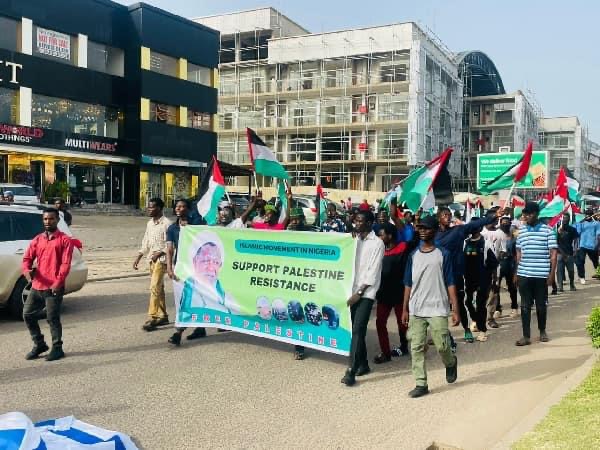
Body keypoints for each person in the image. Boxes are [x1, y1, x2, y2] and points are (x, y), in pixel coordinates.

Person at [401, 215, 459, 398]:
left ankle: (450, 362)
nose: (422, 231)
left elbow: (450, 282)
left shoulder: (443, 254)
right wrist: (405, 308)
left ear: (434, 230)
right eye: (420, 228)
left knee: (442, 345)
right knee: (416, 346)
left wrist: (455, 309)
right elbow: (407, 283)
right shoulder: (413, 255)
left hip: (438, 307)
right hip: (417, 308)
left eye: (426, 228)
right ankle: (421, 383)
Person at [435, 206, 503, 344]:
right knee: (439, 306)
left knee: (460, 303)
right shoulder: (433, 235)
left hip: (455, 275)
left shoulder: (458, 231)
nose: (447, 217)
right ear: (438, 218)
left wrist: (492, 217)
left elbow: (475, 224)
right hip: (437, 276)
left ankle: (466, 329)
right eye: (444, 215)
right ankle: (443, 333)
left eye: (449, 214)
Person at [21, 208, 74, 361]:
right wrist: (26, 271)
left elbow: (65, 264)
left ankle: (57, 348)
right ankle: (39, 344)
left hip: (53, 288)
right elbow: (26, 259)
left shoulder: (64, 240)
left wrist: (58, 283)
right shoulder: (38, 239)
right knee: (27, 314)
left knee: (52, 318)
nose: (47, 222)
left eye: (51, 219)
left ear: (57, 220)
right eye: (45, 219)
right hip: (37, 285)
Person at [341, 210, 385, 387]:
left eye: (360, 221)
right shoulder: (354, 239)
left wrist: (358, 294)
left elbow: (372, 274)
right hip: (351, 291)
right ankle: (364, 364)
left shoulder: (377, 244)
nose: (357, 224)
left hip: (365, 293)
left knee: (358, 329)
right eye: (356, 220)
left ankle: (351, 371)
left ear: (369, 223)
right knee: (354, 329)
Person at [515, 202, 558, 346]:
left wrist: (552, 274)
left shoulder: (548, 230)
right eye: (525, 213)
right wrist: (516, 272)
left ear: (537, 214)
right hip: (524, 275)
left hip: (541, 275)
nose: (527, 216)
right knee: (525, 306)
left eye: (530, 213)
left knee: (541, 305)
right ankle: (526, 336)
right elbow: (519, 253)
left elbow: (553, 254)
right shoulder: (521, 231)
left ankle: (542, 331)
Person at [166, 199, 207, 346]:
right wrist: (169, 268)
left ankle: (178, 332)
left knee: (190, 298)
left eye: (183, 206)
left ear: (188, 209)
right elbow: (170, 250)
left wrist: (190, 228)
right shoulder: (172, 228)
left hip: (196, 268)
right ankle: (200, 328)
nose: (179, 209)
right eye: (177, 206)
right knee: (184, 299)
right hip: (181, 268)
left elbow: (204, 238)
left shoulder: (197, 225)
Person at [373, 222, 410, 364]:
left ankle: (405, 346)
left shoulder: (403, 248)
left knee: (403, 324)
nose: (378, 237)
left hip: (400, 294)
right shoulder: (378, 250)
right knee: (380, 322)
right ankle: (386, 353)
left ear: (390, 235)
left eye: (381, 235)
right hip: (383, 294)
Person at [133, 197, 172, 331]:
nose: (149, 209)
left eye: (152, 207)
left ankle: (153, 317)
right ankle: (163, 315)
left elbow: (172, 245)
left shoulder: (167, 224)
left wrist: (160, 253)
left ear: (160, 208)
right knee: (159, 288)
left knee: (154, 287)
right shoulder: (150, 223)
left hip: (162, 261)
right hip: (151, 259)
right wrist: (139, 256)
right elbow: (146, 241)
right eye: (148, 207)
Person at [463, 220, 498, 342]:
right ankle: (476, 320)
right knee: (467, 302)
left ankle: (483, 330)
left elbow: (493, 263)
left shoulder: (486, 243)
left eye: (475, 227)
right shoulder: (465, 243)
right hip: (468, 279)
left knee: (480, 304)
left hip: (483, 279)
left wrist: (494, 280)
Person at [286, 207, 313, 360]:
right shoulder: (287, 234)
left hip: (308, 280)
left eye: (298, 219)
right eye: (292, 219)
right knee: (296, 311)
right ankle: (299, 346)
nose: (295, 222)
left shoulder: (312, 233)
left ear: (303, 219)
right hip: (292, 280)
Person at [493, 216, 519, 318]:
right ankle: (498, 309)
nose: (505, 224)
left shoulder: (514, 235)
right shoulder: (497, 234)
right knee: (496, 287)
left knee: (512, 287)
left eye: (507, 222)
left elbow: (517, 252)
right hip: (498, 264)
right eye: (503, 222)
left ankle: (514, 307)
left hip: (510, 264)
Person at [574, 210, 600, 284]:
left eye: (589, 215)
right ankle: (582, 277)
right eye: (586, 215)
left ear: (592, 215)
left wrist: (597, 245)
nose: (587, 216)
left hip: (593, 246)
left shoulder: (597, 223)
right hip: (583, 245)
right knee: (581, 261)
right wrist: (580, 223)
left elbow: (598, 235)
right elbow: (578, 233)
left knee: (595, 261)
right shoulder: (582, 223)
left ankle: (598, 273)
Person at [556, 213, 578, 292]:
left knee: (571, 271)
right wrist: (562, 253)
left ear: (569, 219)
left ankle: (572, 284)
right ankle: (560, 286)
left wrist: (575, 250)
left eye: (567, 218)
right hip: (560, 254)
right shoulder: (557, 229)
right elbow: (555, 243)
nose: (565, 219)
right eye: (564, 218)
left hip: (569, 253)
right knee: (559, 271)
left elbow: (576, 240)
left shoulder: (572, 229)